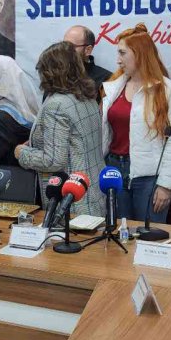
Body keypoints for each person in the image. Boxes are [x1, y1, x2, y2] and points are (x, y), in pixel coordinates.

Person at [101, 24, 171, 223]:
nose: (118, 60)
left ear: (139, 54)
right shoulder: (114, 87)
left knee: (149, 235)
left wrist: (166, 184)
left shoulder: (167, 91)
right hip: (114, 170)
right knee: (118, 232)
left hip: (150, 176)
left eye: (122, 53)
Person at [16, 42, 105, 218]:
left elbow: (53, 160)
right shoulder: (87, 97)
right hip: (93, 192)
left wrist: (22, 153)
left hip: (71, 201)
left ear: (50, 72)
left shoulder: (56, 105)